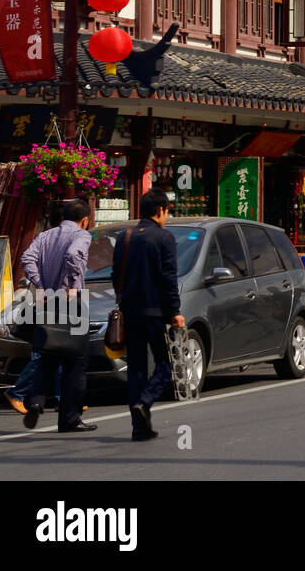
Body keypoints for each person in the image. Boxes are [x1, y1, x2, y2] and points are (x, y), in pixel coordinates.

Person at [113, 189, 185, 441]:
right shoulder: (164, 238)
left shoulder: (126, 237)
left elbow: (115, 274)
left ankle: (139, 427)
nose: (167, 215)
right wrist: (175, 311)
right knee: (165, 366)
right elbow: (168, 278)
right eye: (167, 211)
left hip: (130, 311)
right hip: (155, 312)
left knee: (137, 369)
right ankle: (145, 401)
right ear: (161, 210)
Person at [19, 200, 94, 433]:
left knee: (48, 356)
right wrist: (72, 284)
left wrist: (41, 283)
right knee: (76, 361)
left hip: (47, 301)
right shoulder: (82, 235)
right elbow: (73, 254)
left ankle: (36, 402)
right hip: (71, 304)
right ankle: (69, 418)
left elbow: (26, 258)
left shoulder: (46, 235)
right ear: (85, 220)